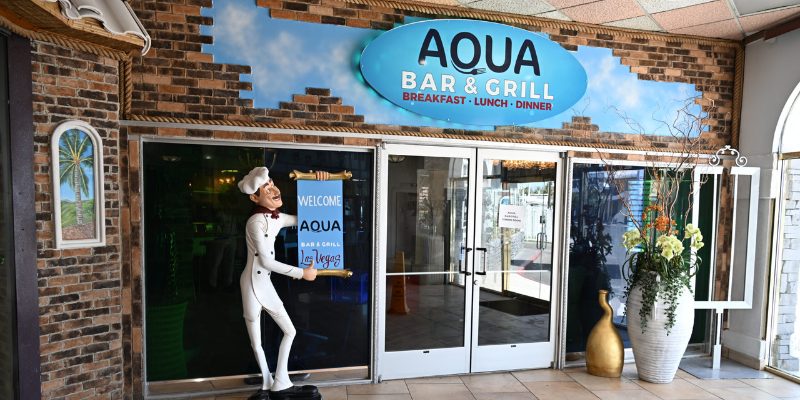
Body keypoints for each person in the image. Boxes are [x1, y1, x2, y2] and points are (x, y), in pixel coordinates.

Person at [238, 166, 326, 400]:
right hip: (250, 284)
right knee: (256, 340)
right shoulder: (254, 222)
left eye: (272, 185)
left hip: (264, 284)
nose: (274, 190)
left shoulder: (276, 218)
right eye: (266, 189)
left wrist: (319, 185)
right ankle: (269, 382)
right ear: (254, 198)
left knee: (290, 331)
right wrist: (301, 273)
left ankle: (280, 380)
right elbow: (265, 261)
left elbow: (305, 218)